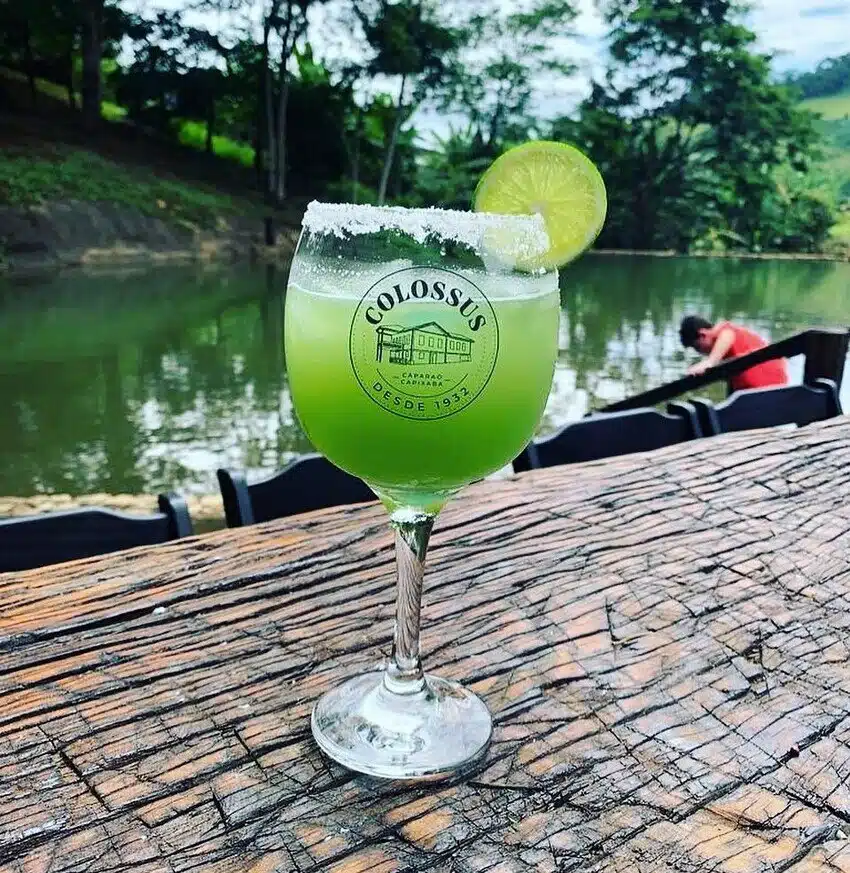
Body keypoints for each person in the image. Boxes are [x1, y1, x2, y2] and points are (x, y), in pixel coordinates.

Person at [678, 315, 788, 391]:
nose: (700, 352)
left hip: (766, 390)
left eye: (697, 347)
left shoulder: (723, 330)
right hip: (754, 393)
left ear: (703, 334)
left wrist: (709, 362)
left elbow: (728, 334)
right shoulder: (722, 351)